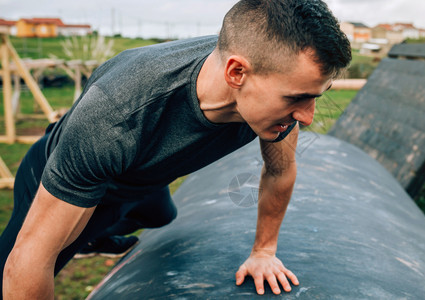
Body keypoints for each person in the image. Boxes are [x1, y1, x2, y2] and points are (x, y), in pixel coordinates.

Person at [0, 0, 352, 298]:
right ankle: (87, 233)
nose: (306, 118)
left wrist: (263, 251)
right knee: (25, 266)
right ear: (236, 73)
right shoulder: (117, 114)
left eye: (315, 97)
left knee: (160, 216)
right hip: (63, 174)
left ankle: (95, 233)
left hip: (141, 180)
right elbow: (25, 267)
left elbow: (279, 169)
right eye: (296, 98)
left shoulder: (269, 78)